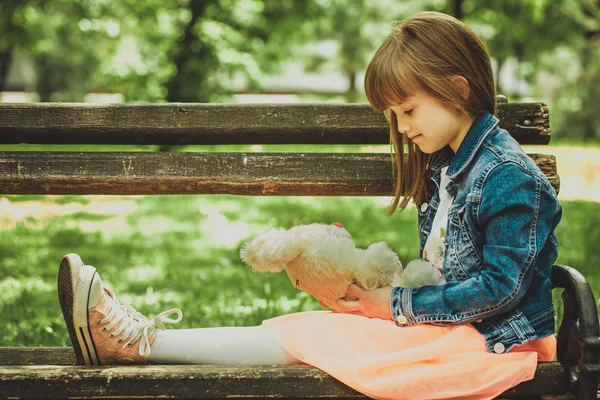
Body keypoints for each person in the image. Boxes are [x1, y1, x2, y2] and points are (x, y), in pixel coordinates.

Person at [57, 11, 562, 400]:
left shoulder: (506, 177)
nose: (403, 127)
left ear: (458, 90)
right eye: (395, 114)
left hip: (494, 346)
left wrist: (395, 305)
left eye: (408, 110)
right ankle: (138, 339)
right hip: (452, 333)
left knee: (311, 339)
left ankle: (136, 341)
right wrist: (379, 293)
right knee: (312, 333)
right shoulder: (451, 166)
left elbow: (501, 289)